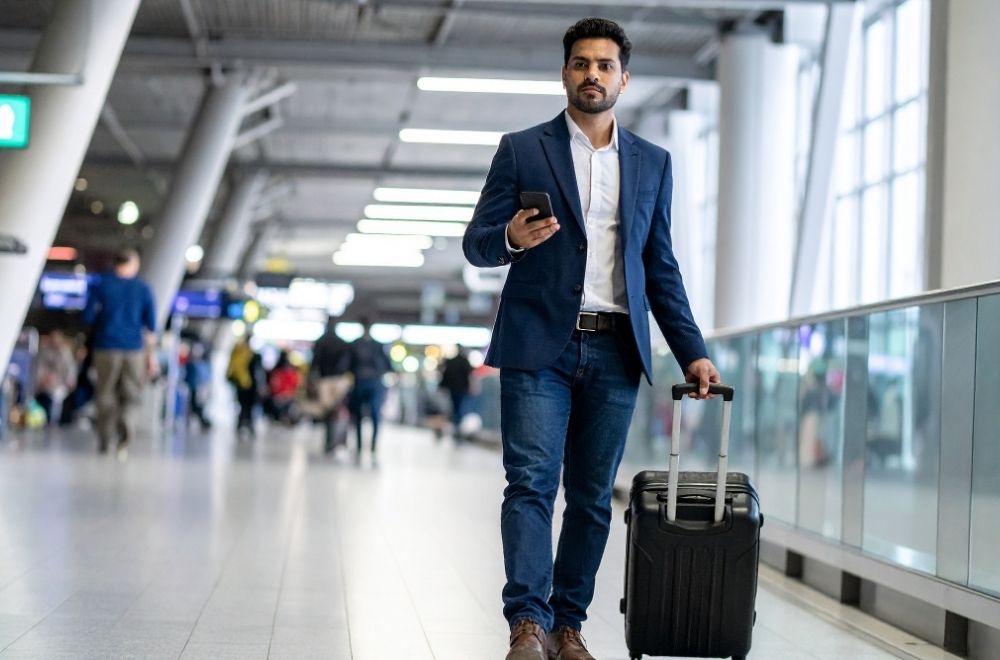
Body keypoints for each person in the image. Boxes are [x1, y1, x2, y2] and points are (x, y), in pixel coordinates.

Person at [462, 18, 721, 660]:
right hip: (537, 347)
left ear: (624, 79)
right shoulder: (522, 149)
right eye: (581, 63)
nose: (593, 75)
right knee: (530, 482)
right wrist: (509, 239)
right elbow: (476, 243)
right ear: (565, 73)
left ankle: (567, 624)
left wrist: (692, 351)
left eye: (605, 65)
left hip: (615, 348)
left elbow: (659, 266)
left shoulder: (653, 162)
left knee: (592, 497)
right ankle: (528, 621)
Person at [82, 248, 157, 456]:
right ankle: (126, 425)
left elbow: (88, 316)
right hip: (133, 349)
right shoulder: (142, 288)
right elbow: (151, 324)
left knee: (105, 393)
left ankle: (105, 439)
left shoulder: (101, 284)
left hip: (105, 346)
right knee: (131, 392)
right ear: (133, 264)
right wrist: (151, 356)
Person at [341, 317, 393, 458]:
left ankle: (360, 446)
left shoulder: (355, 345)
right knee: (375, 414)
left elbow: (345, 365)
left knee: (359, 415)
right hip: (374, 383)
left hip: (360, 382)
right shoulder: (378, 346)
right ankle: (372, 445)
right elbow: (388, 365)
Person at [309, 315, 350, 452]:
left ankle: (329, 440)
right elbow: (346, 363)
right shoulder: (342, 342)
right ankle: (333, 440)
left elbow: (314, 362)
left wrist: (312, 379)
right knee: (336, 409)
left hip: (324, 380)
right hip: (338, 380)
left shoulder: (321, 341)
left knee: (327, 410)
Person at [226, 334, 263, 438]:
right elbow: (258, 372)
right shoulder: (252, 354)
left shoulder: (238, 351)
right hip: (249, 385)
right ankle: (248, 425)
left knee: (243, 405)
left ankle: (241, 424)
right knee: (248, 406)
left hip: (240, 384)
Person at [439, 346, 474, 438]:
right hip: (462, 389)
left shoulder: (451, 361)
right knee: (460, 407)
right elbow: (470, 375)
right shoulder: (464, 361)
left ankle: (456, 425)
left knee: (455, 407)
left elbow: (445, 374)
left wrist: (442, 386)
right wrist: (471, 387)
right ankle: (457, 426)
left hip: (453, 388)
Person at [267, 350, 301, 424]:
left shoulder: (287, 372)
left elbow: (294, 386)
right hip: (280, 397)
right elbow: (274, 387)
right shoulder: (280, 373)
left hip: (287, 396)